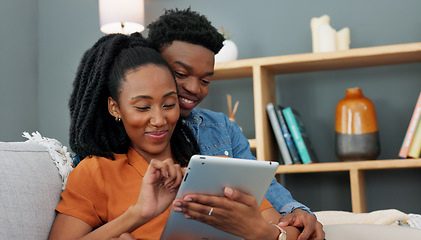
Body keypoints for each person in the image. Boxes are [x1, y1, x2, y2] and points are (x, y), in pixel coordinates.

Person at [48, 33, 300, 239]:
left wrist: (264, 233)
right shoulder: (97, 171)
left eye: (169, 104)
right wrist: (137, 214)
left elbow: (284, 228)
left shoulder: (208, 162)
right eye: (143, 107)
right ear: (115, 107)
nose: (159, 120)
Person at [146, 8, 325, 240]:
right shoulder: (117, 134)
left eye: (205, 80)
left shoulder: (221, 127)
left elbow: (262, 187)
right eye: (181, 74)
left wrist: (295, 210)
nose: (195, 88)